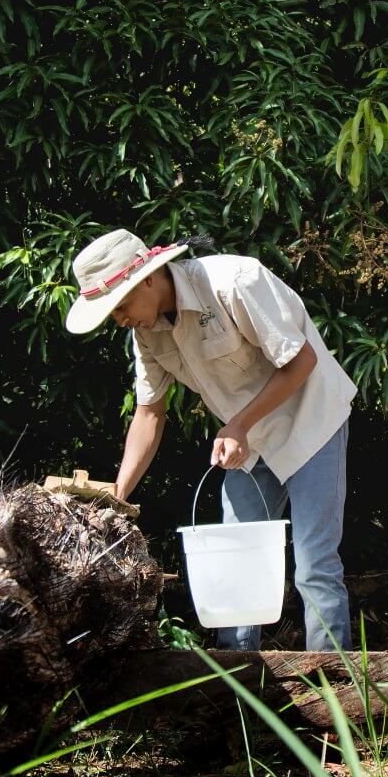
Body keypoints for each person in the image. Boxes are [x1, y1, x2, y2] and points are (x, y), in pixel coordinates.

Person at [64, 229, 357, 652]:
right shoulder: (146, 331)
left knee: (314, 567)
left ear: (147, 278)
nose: (120, 319)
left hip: (312, 424)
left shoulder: (234, 282)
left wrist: (238, 425)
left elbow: (302, 360)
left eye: (120, 305)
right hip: (249, 443)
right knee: (238, 566)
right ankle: (236, 696)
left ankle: (337, 692)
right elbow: (149, 412)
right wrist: (118, 497)